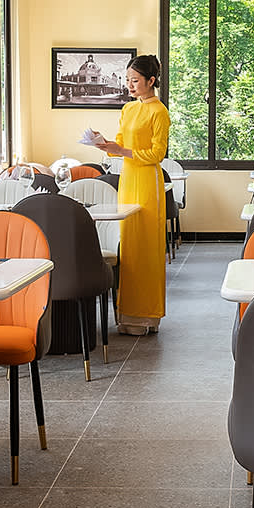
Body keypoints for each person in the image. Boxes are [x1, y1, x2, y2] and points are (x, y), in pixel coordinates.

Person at [81, 53, 169, 334]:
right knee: (129, 245)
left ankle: (148, 315)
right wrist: (102, 144)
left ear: (151, 81)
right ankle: (128, 314)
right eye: (128, 80)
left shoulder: (159, 112)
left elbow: (157, 153)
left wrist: (122, 151)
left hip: (148, 180)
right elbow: (119, 145)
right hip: (128, 179)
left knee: (146, 246)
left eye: (135, 80)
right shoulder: (129, 109)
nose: (129, 85)